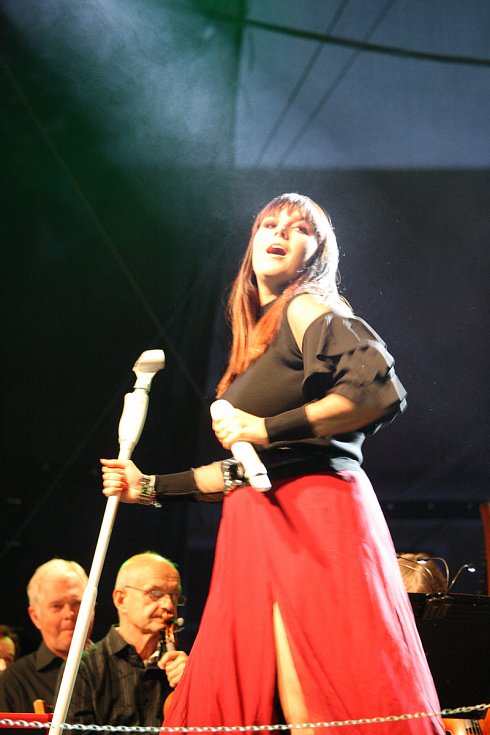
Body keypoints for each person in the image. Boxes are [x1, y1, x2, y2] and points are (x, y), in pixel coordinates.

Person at [101, 193, 444, 734]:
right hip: (258, 523)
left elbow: (377, 391)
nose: (281, 231)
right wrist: (147, 487)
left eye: (301, 228)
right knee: (265, 695)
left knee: (318, 695)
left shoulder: (308, 306)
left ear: (318, 255)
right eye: (269, 223)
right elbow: (240, 472)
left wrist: (263, 429)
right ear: (252, 243)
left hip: (311, 518)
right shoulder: (257, 347)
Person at [64, 552, 188, 729]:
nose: (168, 605)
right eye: (155, 593)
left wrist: (193, 686)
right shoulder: (83, 668)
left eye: (175, 596)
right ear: (121, 599)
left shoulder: (183, 667)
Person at [0, 558, 93, 712]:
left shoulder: (117, 668)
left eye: (78, 603)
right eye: (57, 606)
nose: (69, 614)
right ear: (35, 616)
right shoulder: (13, 683)